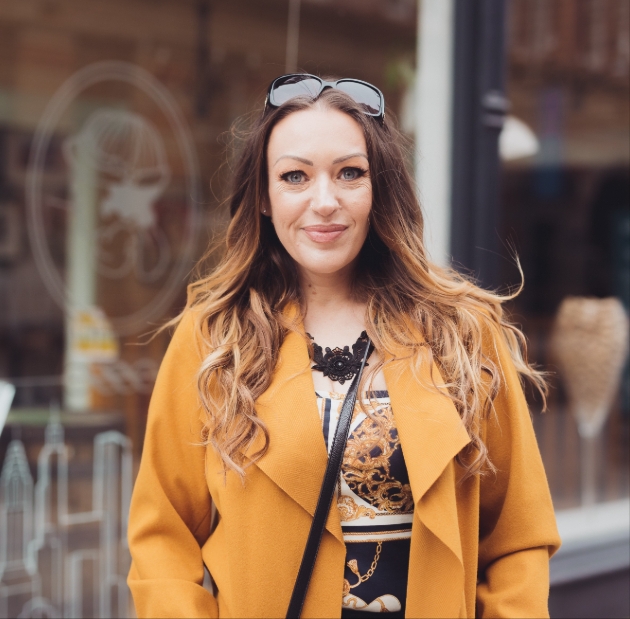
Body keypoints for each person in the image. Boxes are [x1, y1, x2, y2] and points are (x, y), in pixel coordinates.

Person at [127, 74, 561, 619]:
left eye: (349, 173)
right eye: (295, 177)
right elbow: (163, 539)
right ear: (264, 196)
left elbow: (517, 537)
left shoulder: (462, 332)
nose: (324, 201)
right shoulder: (214, 338)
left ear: (379, 188)